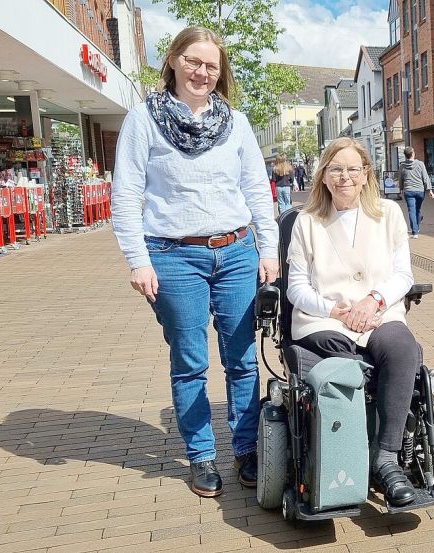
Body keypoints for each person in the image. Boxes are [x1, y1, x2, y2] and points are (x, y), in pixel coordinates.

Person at [111, 26, 279, 499]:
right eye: (193, 61)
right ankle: (202, 455)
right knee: (190, 362)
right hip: (173, 255)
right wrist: (137, 260)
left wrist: (268, 249)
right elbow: (125, 196)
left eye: (211, 65)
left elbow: (255, 192)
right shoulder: (144, 119)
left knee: (243, 361)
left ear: (220, 71)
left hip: (237, 252)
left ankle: (247, 449)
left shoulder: (237, 123)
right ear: (173, 61)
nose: (202, 72)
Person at [285, 137, 418, 507]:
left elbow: (403, 275)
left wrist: (374, 300)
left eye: (352, 169)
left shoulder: (388, 213)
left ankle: (386, 459)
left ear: (365, 175)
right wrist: (333, 310)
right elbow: (295, 287)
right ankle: (343, 451)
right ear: (324, 176)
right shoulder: (307, 222)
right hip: (325, 319)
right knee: (338, 353)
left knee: (403, 348)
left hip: (378, 312)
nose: (345, 177)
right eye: (336, 169)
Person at [398, 146, 434, 239]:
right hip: (419, 191)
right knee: (417, 210)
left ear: (405, 156)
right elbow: (425, 177)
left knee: (411, 211)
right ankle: (416, 228)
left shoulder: (402, 166)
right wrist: (429, 190)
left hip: (408, 191)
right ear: (413, 154)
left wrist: (401, 189)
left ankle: (415, 231)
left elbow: (400, 179)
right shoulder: (420, 164)